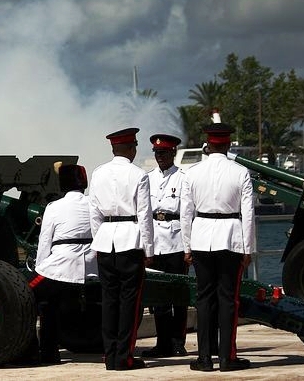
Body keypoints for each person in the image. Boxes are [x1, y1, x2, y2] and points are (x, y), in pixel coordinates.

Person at [180, 123, 255, 372]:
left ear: (208, 145)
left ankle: (204, 358)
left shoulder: (191, 173)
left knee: (204, 299)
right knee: (228, 300)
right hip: (231, 238)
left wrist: (187, 246)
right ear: (228, 144)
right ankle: (226, 357)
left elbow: (185, 213)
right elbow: (248, 214)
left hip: (201, 237)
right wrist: (248, 249)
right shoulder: (240, 172)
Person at [88, 127, 154, 371]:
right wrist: (149, 249)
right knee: (130, 303)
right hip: (130, 239)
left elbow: (94, 212)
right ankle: (124, 356)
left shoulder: (99, 173)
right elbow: (145, 215)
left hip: (106, 239)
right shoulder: (139, 175)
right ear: (130, 148)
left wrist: (99, 239)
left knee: (109, 301)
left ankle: (110, 355)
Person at [29, 163, 96, 365]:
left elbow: (44, 243)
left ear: (63, 185)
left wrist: (40, 268)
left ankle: (43, 351)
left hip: (61, 267)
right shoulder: (93, 203)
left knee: (28, 293)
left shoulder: (54, 207)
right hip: (92, 267)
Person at [141, 133, 188, 358]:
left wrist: (190, 247)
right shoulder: (147, 178)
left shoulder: (183, 178)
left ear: (173, 153)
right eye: (157, 153)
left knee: (178, 295)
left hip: (176, 240)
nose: (160, 156)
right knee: (159, 297)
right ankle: (162, 343)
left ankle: (178, 342)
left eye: (164, 152)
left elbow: (190, 214)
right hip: (155, 241)